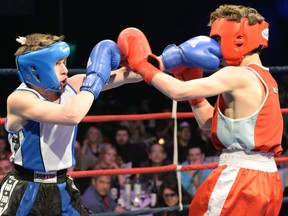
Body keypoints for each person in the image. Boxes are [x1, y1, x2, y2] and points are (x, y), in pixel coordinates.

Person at [117, 4, 283, 215]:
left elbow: (177, 91)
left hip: (240, 178)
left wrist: (143, 64)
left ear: (238, 38)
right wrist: (195, 94)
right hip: (268, 180)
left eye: (218, 39)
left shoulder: (236, 75)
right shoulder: (266, 77)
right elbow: (209, 123)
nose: (215, 46)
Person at [1, 33, 142, 215]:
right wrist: (94, 79)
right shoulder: (20, 99)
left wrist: (167, 60)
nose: (65, 70)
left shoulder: (72, 86)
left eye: (64, 62)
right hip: (27, 189)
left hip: (61, 185)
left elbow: (129, 76)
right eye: (57, 63)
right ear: (36, 69)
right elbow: (71, 115)